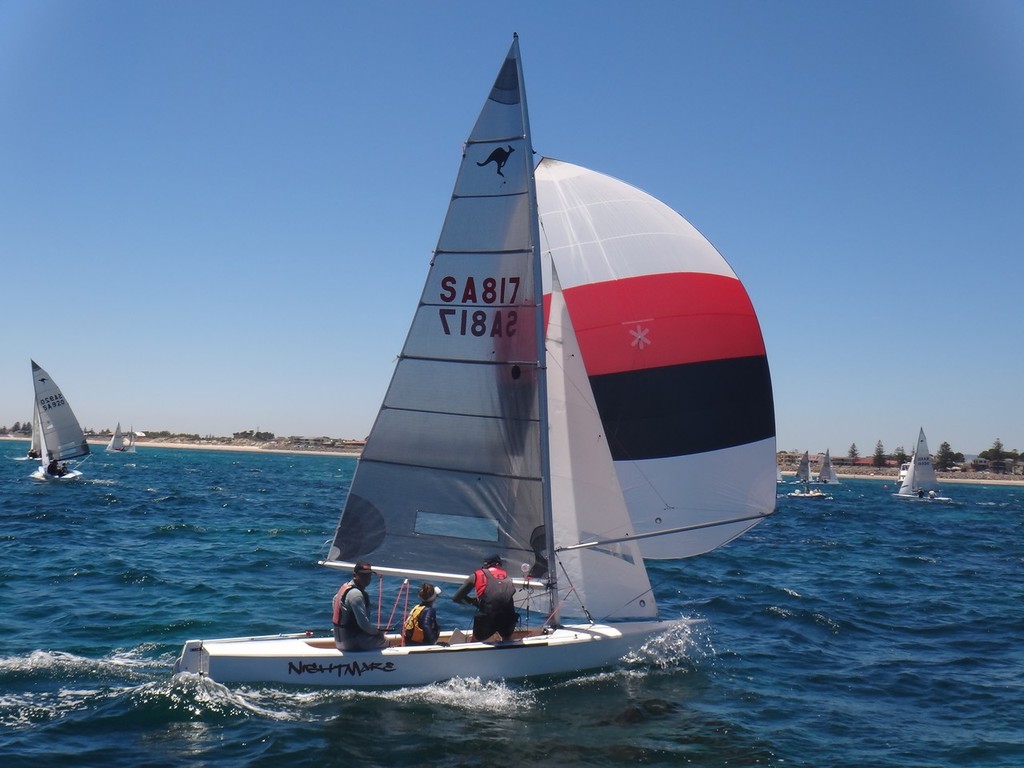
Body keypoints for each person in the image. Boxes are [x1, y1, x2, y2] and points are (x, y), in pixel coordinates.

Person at [453, 554, 519, 641]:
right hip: (508, 618)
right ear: (498, 564)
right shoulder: (507, 576)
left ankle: (473, 647)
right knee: (506, 638)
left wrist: (473, 602)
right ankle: (507, 642)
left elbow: (456, 598)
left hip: (487, 618)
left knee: (476, 641)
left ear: (485, 565)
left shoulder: (477, 575)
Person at [332, 561, 387, 651]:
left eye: (369, 575)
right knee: (386, 641)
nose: (367, 578)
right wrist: (378, 633)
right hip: (351, 643)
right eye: (363, 575)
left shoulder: (344, 588)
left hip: (339, 641)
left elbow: (334, 602)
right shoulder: (356, 594)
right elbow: (364, 625)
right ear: (354, 575)